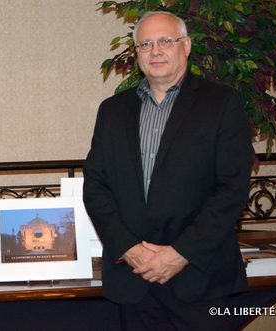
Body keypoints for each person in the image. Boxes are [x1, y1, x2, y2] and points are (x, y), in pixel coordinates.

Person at [83, 11, 253, 330]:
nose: (155, 50)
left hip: (201, 281)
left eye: (165, 41)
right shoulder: (112, 111)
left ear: (186, 46)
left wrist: (179, 254)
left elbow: (232, 189)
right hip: (133, 283)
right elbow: (95, 187)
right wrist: (129, 249)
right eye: (145, 44)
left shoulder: (222, 103)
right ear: (137, 55)